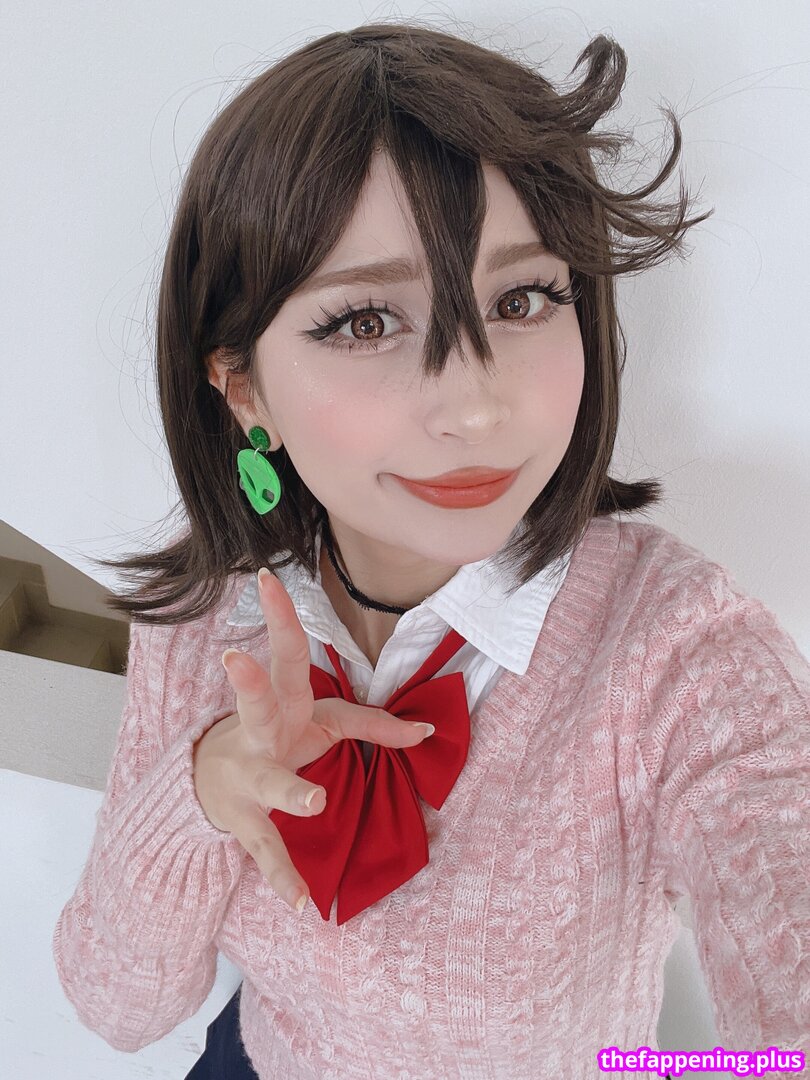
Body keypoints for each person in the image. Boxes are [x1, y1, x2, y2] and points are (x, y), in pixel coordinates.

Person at [52, 21, 809, 1080]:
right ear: (243, 388)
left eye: (521, 299)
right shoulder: (206, 619)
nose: (476, 407)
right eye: (366, 321)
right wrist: (202, 789)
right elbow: (119, 1008)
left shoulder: (678, 650)